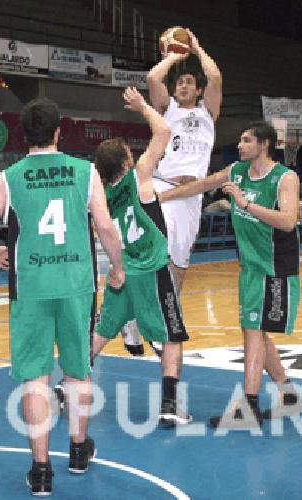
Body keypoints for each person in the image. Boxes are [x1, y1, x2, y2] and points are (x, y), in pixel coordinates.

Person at [0, 97, 126, 496]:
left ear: (25, 135)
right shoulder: (86, 171)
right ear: (59, 131)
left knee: (35, 377)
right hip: (77, 284)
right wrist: (119, 269)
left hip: (31, 287)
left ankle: (41, 472)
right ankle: (77, 451)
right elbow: (106, 228)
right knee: (78, 371)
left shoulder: (10, 177)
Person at [158, 121, 302, 428]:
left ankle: (248, 407)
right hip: (250, 267)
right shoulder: (236, 171)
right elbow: (201, 185)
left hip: (275, 267)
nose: (239, 144)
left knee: (253, 331)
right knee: (256, 330)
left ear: (264, 145)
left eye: (246, 140)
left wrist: (245, 203)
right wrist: (164, 197)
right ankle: (288, 394)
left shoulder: (285, 178)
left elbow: (289, 221)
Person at [83, 87, 193, 426]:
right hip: (151, 268)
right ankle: (170, 405)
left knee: (101, 332)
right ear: (127, 160)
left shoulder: (99, 196)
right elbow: (164, 131)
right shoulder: (138, 178)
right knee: (173, 336)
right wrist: (142, 105)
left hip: (123, 268)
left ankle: (64, 386)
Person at [145, 27, 222, 317]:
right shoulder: (168, 110)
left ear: (199, 90)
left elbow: (215, 77)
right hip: (163, 186)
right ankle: (136, 315)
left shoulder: (208, 114)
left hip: (192, 195)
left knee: (180, 259)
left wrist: (197, 48)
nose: (183, 86)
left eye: (189, 82)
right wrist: (174, 56)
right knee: (154, 251)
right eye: (179, 83)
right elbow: (153, 78)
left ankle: (169, 309)